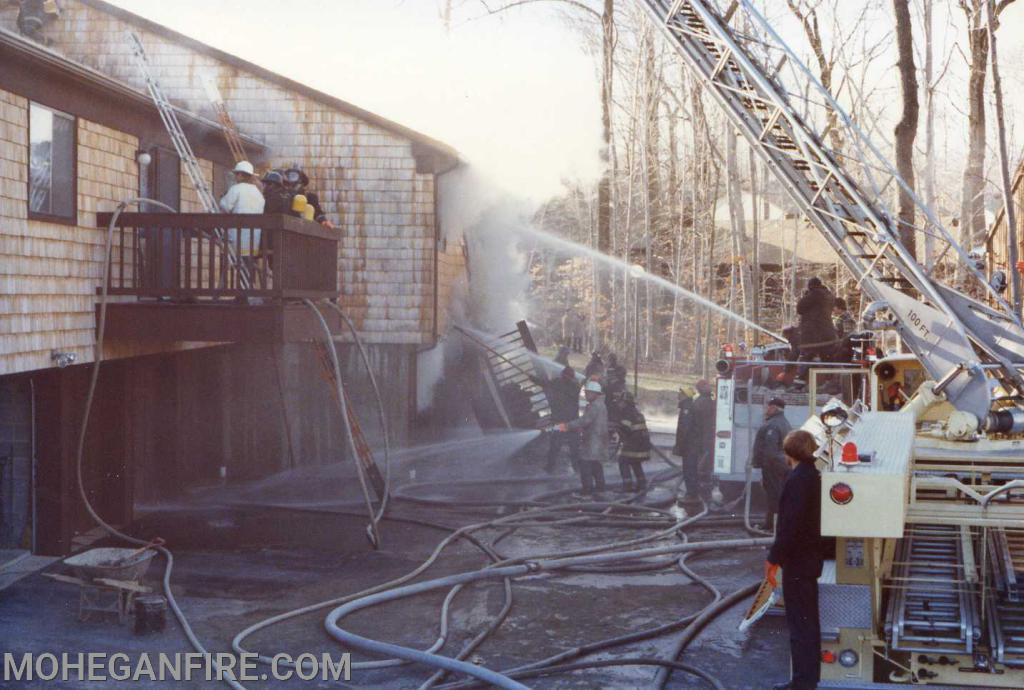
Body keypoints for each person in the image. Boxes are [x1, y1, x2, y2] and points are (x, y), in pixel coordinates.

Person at [765, 430, 823, 690]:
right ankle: (808, 678)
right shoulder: (813, 475)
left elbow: (790, 525)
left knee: (800, 625)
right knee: (808, 623)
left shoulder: (798, 479)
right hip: (810, 559)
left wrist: (773, 557)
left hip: (798, 563)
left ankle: (802, 683)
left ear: (789, 452)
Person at [558, 380, 608, 499]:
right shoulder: (601, 404)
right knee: (596, 464)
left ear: (595, 393)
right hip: (598, 440)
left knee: (585, 465)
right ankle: (601, 489)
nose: (586, 395)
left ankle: (587, 492)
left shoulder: (595, 405)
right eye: (585, 393)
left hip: (592, 441)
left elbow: (585, 420)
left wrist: (567, 425)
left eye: (588, 393)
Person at [751, 397, 792, 531]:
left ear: (774, 408)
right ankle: (771, 524)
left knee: (774, 496)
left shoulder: (772, 425)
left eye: (768, 407)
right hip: (782, 466)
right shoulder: (785, 423)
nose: (766, 409)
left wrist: (762, 466)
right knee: (776, 495)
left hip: (773, 466)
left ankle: (774, 527)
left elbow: (770, 451)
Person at [544, 366, 582, 474]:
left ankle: (550, 467)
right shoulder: (575, 386)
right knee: (574, 446)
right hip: (572, 421)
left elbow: (545, 383)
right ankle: (576, 468)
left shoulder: (558, 383)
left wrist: (533, 379)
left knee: (555, 444)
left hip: (561, 421)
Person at [796, 277, 838, 362]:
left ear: (810, 286)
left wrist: (806, 295)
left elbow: (799, 308)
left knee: (807, 358)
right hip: (828, 333)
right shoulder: (829, 296)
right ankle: (829, 374)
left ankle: (804, 375)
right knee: (827, 359)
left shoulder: (813, 295)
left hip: (813, 334)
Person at [615, 394, 651, 492]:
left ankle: (627, 486)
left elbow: (625, 429)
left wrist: (616, 427)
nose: (618, 404)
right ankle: (642, 485)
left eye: (620, 402)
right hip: (642, 445)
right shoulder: (637, 412)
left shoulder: (627, 412)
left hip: (634, 444)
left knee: (623, 461)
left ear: (625, 402)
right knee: (635, 463)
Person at [691, 378, 717, 500]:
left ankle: (703, 481)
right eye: (706, 385)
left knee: (706, 459)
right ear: (701, 388)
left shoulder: (703, 401)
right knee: (705, 459)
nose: (709, 386)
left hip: (705, 436)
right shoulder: (703, 402)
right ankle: (703, 485)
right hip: (705, 437)